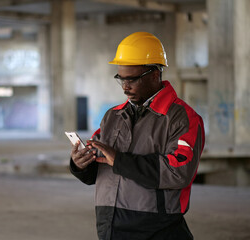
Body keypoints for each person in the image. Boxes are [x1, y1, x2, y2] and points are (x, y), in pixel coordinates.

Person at [69, 32, 205, 240]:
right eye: (121, 79)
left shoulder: (181, 118)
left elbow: (180, 172)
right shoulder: (112, 117)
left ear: (154, 74)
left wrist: (121, 161)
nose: (125, 87)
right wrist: (80, 164)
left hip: (157, 230)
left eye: (131, 79)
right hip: (110, 227)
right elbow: (98, 166)